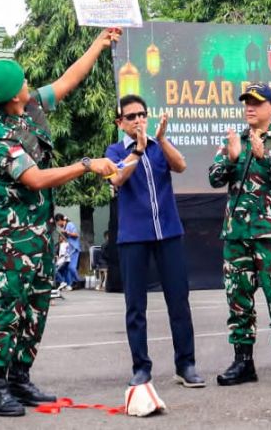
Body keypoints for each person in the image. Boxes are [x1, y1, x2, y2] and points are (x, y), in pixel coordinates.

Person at [0, 31, 120, 418]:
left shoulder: (32, 106)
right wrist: (86, 165)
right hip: (16, 234)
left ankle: (20, 377)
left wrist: (99, 44)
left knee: (38, 304)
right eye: (22, 80)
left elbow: (69, 79)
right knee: (11, 305)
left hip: (41, 232)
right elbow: (35, 179)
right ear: (12, 95)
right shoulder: (0, 137)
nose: (29, 82)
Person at [208, 83, 271, 388]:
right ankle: (243, 363)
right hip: (237, 235)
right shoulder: (233, 140)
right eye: (247, 102)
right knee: (238, 301)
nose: (250, 107)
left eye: (257, 102)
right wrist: (231, 158)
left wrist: (265, 156)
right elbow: (214, 179)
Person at [105, 95, 204, 388]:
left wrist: (160, 140)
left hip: (168, 233)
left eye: (142, 115)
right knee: (136, 306)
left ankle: (185, 365)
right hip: (133, 237)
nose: (138, 120)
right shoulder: (113, 151)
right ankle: (141, 367)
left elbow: (181, 165)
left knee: (179, 302)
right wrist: (137, 150)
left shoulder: (159, 145)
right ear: (120, 122)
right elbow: (116, 179)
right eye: (131, 116)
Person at [54, 214, 80, 290]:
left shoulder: (70, 224)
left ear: (60, 220)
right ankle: (71, 283)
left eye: (57, 223)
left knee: (71, 267)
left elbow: (76, 235)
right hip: (69, 250)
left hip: (74, 249)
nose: (58, 225)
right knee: (67, 268)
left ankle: (78, 281)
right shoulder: (64, 227)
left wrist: (67, 233)